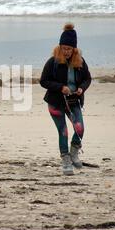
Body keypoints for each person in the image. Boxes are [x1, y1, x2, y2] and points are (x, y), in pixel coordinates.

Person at [40, 23, 92, 175]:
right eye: (64, 48)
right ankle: (65, 160)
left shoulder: (80, 61)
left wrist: (82, 88)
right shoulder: (53, 62)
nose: (66, 51)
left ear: (74, 49)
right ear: (60, 47)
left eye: (69, 49)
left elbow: (88, 79)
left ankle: (74, 152)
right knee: (63, 132)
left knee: (80, 129)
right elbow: (43, 81)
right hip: (55, 102)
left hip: (73, 101)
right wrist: (60, 87)